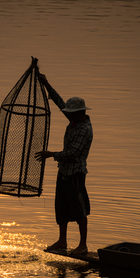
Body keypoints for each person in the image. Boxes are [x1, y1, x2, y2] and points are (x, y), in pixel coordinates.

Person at [35, 74, 93, 255]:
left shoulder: (84, 129)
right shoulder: (75, 122)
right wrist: (46, 84)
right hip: (64, 173)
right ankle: (62, 240)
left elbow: (73, 153)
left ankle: (83, 245)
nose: (67, 114)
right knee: (61, 207)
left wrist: (51, 154)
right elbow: (60, 103)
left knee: (79, 209)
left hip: (75, 173)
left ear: (79, 113)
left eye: (70, 113)